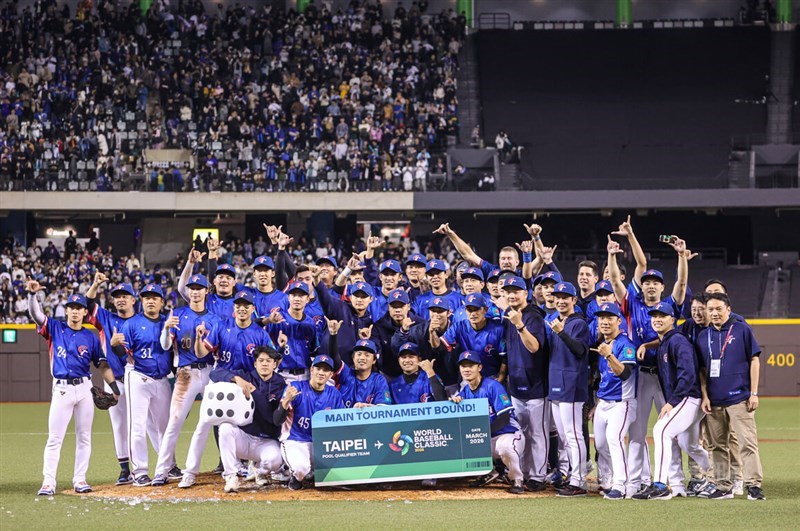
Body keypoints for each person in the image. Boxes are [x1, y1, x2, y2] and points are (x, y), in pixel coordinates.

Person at [607, 233, 688, 497]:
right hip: (641, 377)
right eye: (647, 282)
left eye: (655, 282)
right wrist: (611, 254)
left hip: (665, 377)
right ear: (641, 286)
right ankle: (634, 484)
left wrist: (680, 256)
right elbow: (615, 280)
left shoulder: (669, 308)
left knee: (670, 431)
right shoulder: (632, 305)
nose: (651, 285)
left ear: (662, 287)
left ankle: (675, 483)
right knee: (637, 433)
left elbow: (683, 282)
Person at [27, 284, 117, 496]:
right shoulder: (55, 328)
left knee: (84, 436)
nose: (75, 311)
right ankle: (48, 482)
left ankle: (80, 479)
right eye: (71, 307)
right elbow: (35, 314)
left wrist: (114, 389)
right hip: (62, 390)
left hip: (85, 388)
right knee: (55, 438)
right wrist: (33, 295)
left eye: (79, 307)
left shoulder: (91, 337)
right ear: (66, 310)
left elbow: (102, 365)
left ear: (85, 312)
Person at [633, 302, 710, 500]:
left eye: (662, 315)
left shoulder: (678, 341)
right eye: (654, 316)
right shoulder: (665, 341)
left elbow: (688, 374)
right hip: (686, 398)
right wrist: (644, 345)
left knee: (661, 430)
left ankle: (659, 485)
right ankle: (717, 473)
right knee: (688, 444)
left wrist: (672, 401)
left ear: (672, 320)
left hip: (688, 397)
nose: (657, 319)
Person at [150, 274, 221, 486]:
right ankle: (162, 470)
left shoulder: (215, 319)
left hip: (210, 372)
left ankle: (232, 467)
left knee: (220, 420)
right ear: (188, 291)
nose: (196, 291)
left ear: (206, 291)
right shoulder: (178, 314)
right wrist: (166, 328)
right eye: (192, 288)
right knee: (175, 421)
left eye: (200, 288)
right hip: (185, 373)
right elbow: (164, 346)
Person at [697, 293, 765, 501]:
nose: (714, 313)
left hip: (739, 398)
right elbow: (701, 370)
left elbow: (754, 360)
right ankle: (723, 486)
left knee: (747, 443)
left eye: (718, 309)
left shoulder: (742, 329)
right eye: (710, 309)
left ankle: (753, 485)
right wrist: (705, 396)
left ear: (728, 309)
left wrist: (754, 393)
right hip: (714, 401)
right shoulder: (702, 337)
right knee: (717, 446)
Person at [85, 273, 143, 486]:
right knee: (120, 426)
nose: (120, 299)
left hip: (141, 379)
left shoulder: (142, 320)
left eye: (125, 295)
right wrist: (96, 284)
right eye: (117, 296)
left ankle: (164, 465)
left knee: (151, 425)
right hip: (116, 382)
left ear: (133, 299)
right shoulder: (107, 319)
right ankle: (125, 469)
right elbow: (88, 304)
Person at [113, 284, 172, 487]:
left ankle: (167, 466)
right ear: (141, 300)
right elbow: (123, 352)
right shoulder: (132, 323)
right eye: (147, 297)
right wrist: (116, 346)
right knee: (137, 426)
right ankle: (140, 471)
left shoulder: (167, 323)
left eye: (155, 297)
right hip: (139, 376)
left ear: (161, 302)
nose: (150, 300)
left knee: (166, 427)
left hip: (163, 379)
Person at [208, 346, 287, 493]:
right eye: (261, 360)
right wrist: (236, 379)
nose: (264, 364)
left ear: (275, 364)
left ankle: (259, 470)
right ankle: (231, 476)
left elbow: (272, 418)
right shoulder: (246, 376)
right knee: (225, 427)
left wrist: (254, 392)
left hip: (266, 440)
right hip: (243, 437)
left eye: (269, 361)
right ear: (255, 363)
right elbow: (214, 373)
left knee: (274, 461)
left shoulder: (281, 384)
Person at [500, 275, 549, 492]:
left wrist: (520, 326)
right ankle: (524, 473)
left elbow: (534, 347)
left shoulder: (532, 316)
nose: (511, 294)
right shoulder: (509, 315)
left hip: (536, 385)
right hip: (516, 385)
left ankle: (538, 476)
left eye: (516, 291)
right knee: (520, 434)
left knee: (537, 434)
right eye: (508, 291)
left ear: (525, 293)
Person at [453, 351, 525, 495]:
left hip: (508, 434)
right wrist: (454, 403)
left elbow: (504, 418)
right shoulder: (464, 391)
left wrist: (482, 434)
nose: (466, 370)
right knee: (458, 441)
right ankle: (489, 472)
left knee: (504, 447)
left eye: (470, 366)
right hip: (488, 436)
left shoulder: (493, 386)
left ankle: (517, 479)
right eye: (463, 366)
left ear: (479, 368)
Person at [546, 281, 591, 497]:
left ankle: (579, 481)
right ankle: (574, 476)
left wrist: (562, 332)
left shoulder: (578, 323)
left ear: (574, 300)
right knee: (565, 436)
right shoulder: (557, 321)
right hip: (556, 386)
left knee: (573, 436)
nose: (561, 300)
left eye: (566, 297)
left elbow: (581, 351)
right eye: (558, 297)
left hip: (572, 387)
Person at [590, 303, 638, 500]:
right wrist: (597, 404)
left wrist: (608, 355)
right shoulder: (602, 343)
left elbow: (625, 374)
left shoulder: (625, 345)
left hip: (622, 402)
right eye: (602, 318)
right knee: (601, 445)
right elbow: (603, 378)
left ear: (619, 321)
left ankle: (621, 485)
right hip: (604, 402)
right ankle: (608, 481)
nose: (605, 322)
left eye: (609, 317)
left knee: (614, 440)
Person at [276, 355, 345, 490]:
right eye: (318, 368)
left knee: (343, 470)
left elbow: (341, 423)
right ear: (311, 370)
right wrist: (285, 402)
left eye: (325, 370)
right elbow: (277, 419)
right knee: (301, 468)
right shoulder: (296, 388)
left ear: (330, 374)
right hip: (296, 440)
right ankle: (296, 477)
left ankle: (313, 472)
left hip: (321, 444)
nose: (321, 373)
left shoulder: (334, 394)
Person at [433, 292, 506, 381]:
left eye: (476, 309)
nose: (473, 313)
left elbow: (505, 358)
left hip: (493, 376)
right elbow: (439, 346)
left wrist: (500, 380)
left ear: (485, 309)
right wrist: (432, 333)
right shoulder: (459, 327)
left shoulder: (498, 329)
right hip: (469, 377)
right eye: (469, 310)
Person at [268, 281, 319, 383]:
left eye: (301, 296)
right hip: (283, 374)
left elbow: (314, 350)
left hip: (306, 375)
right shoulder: (277, 318)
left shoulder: (310, 323)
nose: (297, 299)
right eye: (294, 295)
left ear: (308, 299)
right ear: (288, 297)